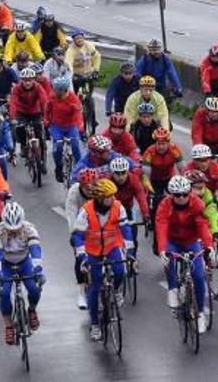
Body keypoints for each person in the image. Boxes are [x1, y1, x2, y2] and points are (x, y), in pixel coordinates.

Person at [71, 179, 135, 341]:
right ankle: (95, 325)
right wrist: (83, 257)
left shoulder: (118, 207)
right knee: (95, 285)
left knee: (121, 271)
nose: (112, 199)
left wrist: (129, 251)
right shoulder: (86, 211)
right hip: (92, 251)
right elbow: (77, 237)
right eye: (108, 196)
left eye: (113, 195)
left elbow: (125, 229)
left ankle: (117, 291)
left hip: (112, 246)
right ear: (99, 198)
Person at [155, 175, 213, 334]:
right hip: (172, 240)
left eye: (185, 194)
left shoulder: (197, 204)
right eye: (177, 195)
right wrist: (162, 250)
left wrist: (209, 246)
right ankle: (172, 288)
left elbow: (203, 227)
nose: (181, 198)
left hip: (191, 240)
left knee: (199, 276)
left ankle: (200, 313)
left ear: (189, 193)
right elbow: (161, 228)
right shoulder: (164, 205)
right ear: (171, 195)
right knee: (168, 259)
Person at [0, 202, 44, 344]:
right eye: (10, 229)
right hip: (5, 263)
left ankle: (32, 310)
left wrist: (38, 268)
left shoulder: (29, 229)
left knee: (34, 288)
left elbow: (35, 249)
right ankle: (8, 325)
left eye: (17, 228)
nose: (13, 231)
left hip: (24, 261)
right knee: (4, 292)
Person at [65, 169, 99, 309]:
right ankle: (82, 292)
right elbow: (71, 217)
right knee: (80, 258)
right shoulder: (73, 193)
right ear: (81, 186)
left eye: (93, 187)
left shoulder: (100, 190)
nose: (91, 192)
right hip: (81, 227)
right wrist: (76, 237)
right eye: (87, 188)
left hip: (98, 226)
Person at [45, 77, 84, 183]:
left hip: (71, 125)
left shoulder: (73, 99)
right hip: (56, 126)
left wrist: (80, 126)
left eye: (57, 90)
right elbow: (47, 110)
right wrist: (46, 121)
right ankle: (58, 167)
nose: (55, 92)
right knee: (58, 146)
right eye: (54, 89)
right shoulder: (52, 97)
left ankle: (80, 169)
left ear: (64, 90)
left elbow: (78, 114)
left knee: (75, 144)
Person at [185, 144, 218, 227]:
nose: (203, 164)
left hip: (211, 193)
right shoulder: (188, 169)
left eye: (206, 160)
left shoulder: (216, 168)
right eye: (200, 160)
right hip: (194, 194)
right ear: (194, 160)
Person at [9, 67, 48, 162]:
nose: (27, 83)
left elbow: (44, 101)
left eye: (30, 80)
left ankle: (42, 158)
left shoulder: (38, 87)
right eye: (25, 80)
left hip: (36, 112)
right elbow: (13, 103)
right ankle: (23, 146)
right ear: (21, 80)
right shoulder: (17, 88)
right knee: (19, 128)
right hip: (22, 112)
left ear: (33, 80)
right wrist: (13, 117)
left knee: (40, 135)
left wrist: (46, 116)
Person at [109, 157, 150, 234]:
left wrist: (145, 214)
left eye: (123, 172)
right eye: (117, 173)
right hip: (111, 209)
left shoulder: (133, 180)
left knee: (132, 231)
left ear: (127, 172)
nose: (120, 177)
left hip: (127, 207)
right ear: (112, 173)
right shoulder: (107, 181)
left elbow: (141, 197)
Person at [65, 29, 100, 96]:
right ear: (73, 40)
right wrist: (71, 74)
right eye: (77, 38)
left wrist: (96, 70)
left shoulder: (89, 46)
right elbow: (68, 62)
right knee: (73, 95)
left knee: (89, 95)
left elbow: (97, 57)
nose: (79, 40)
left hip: (89, 73)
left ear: (83, 38)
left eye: (81, 38)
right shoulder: (71, 50)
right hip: (77, 76)